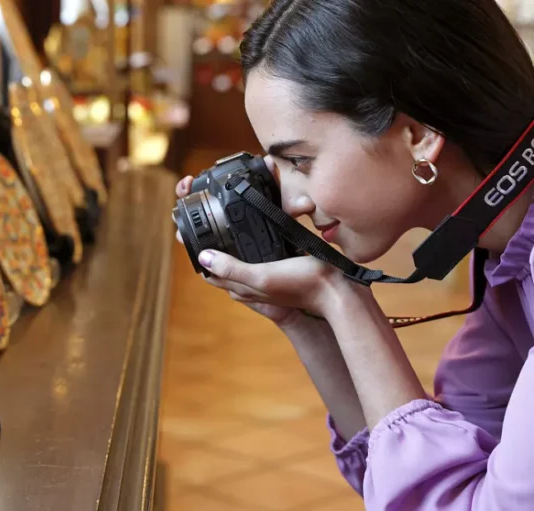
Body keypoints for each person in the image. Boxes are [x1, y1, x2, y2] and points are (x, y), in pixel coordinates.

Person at [174, 1, 534, 509]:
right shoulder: (509, 264)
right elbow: (404, 472)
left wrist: (342, 296)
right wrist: (306, 319)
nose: (294, 202)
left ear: (419, 135)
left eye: (300, 160)